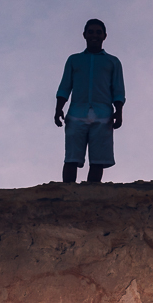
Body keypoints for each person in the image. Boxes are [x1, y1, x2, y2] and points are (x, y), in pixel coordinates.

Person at [54, 18, 124, 184]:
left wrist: (119, 112)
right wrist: (58, 109)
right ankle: (68, 192)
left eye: (98, 32)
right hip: (77, 113)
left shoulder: (112, 62)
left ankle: (92, 193)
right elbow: (65, 86)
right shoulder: (74, 60)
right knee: (71, 156)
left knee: (98, 159)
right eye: (91, 32)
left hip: (103, 114)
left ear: (104, 36)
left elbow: (118, 89)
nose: (94, 35)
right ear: (84, 35)